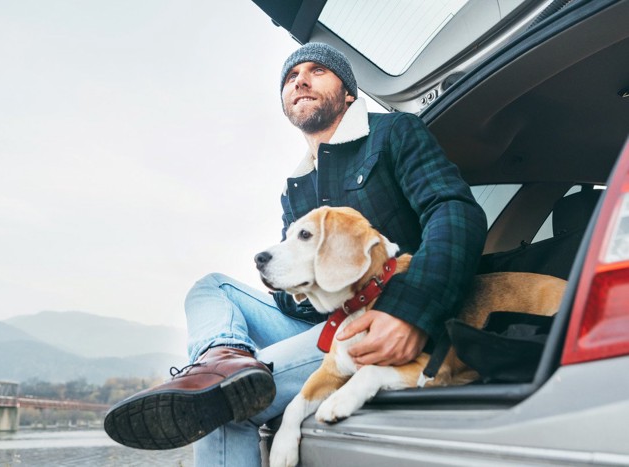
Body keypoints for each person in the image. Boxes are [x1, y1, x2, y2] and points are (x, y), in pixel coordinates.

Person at [104, 42, 487, 466]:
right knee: (210, 288)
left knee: (223, 408)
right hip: (321, 323)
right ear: (286, 102)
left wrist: (412, 310)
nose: (300, 79)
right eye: (290, 77)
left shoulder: (394, 133)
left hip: (375, 314)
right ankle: (224, 357)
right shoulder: (296, 186)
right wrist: (291, 283)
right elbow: (298, 302)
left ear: (348, 93)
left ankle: (223, 381)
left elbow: (453, 211)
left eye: (317, 71)